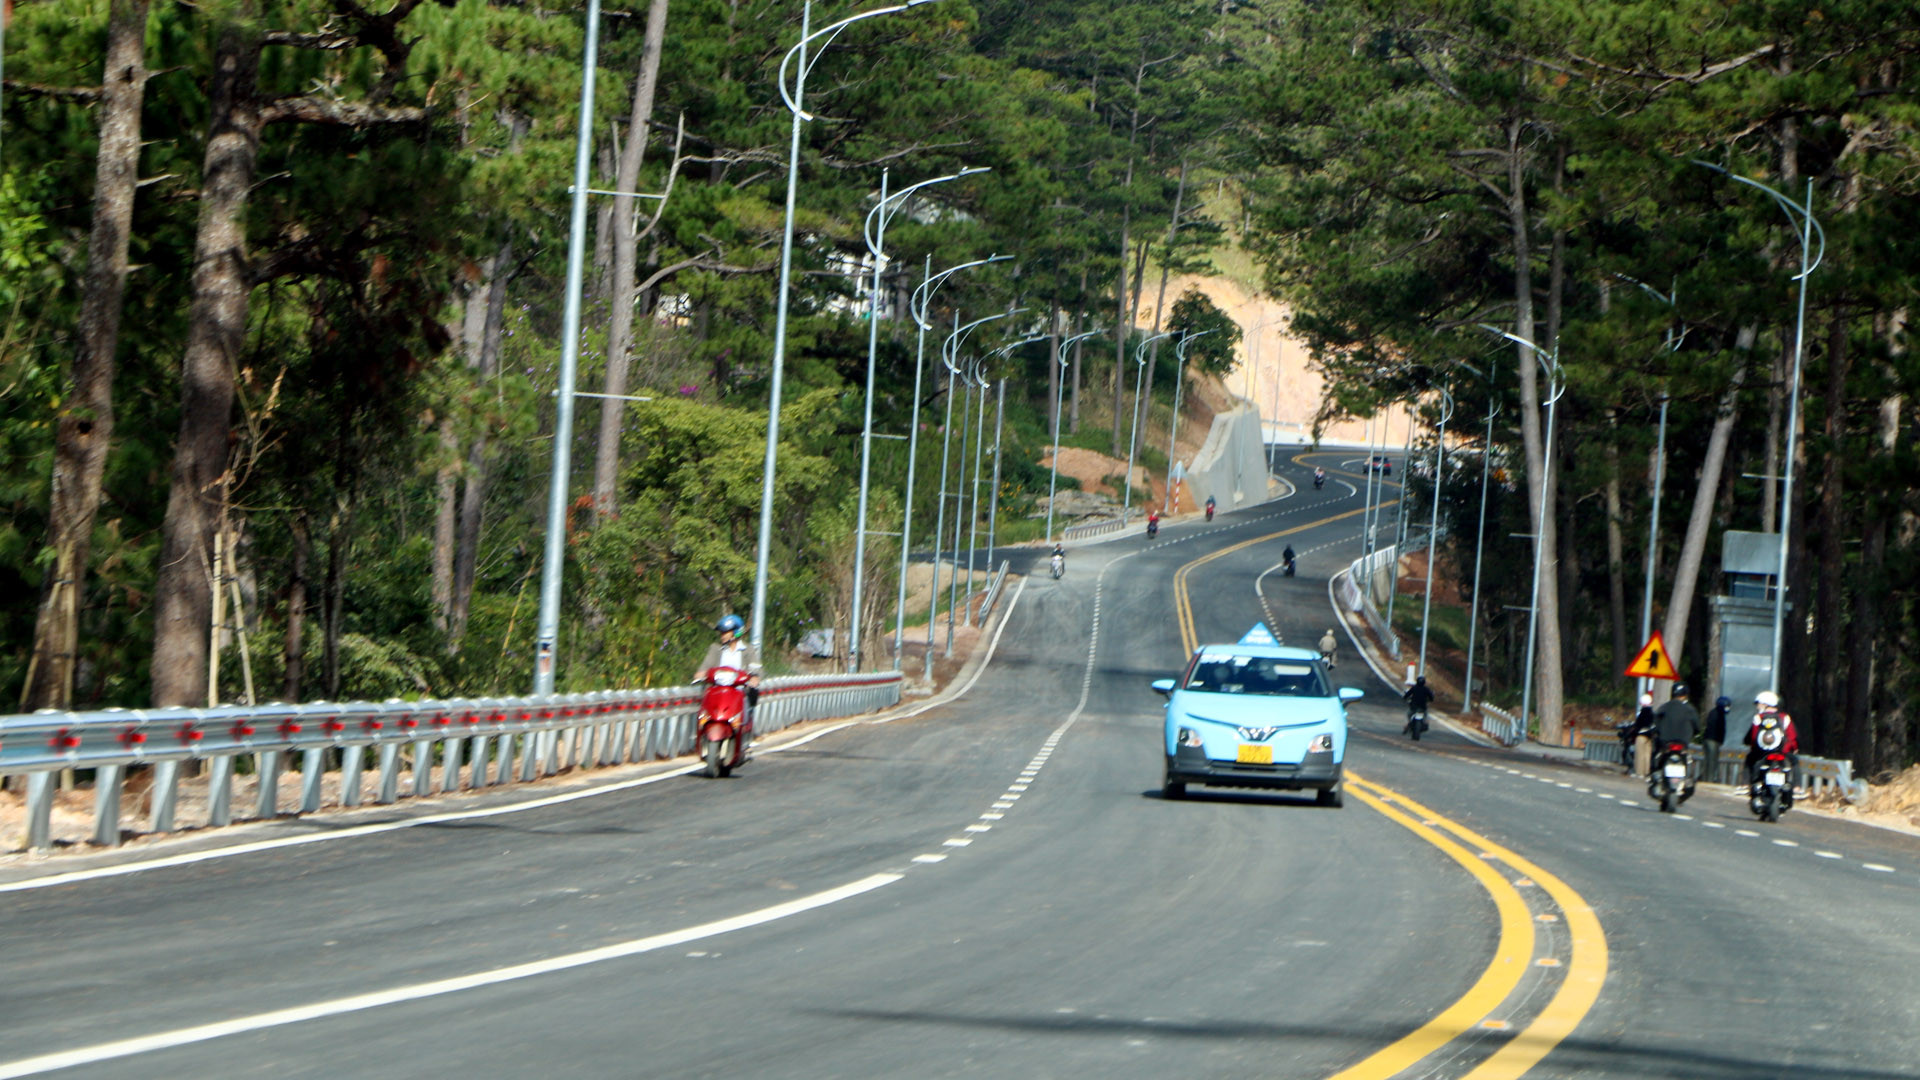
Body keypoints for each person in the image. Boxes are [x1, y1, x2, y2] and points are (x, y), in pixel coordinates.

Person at [696, 614, 762, 750]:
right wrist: (701, 673)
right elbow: (705, 666)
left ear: (736, 632)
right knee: (703, 710)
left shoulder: (748, 650)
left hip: (738, 691)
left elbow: (756, 668)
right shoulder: (715, 649)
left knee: (748, 701)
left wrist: (754, 678)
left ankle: (745, 733)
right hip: (718, 691)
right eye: (722, 632)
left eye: (726, 632)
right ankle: (702, 736)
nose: (722, 635)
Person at [1742, 690, 1800, 792]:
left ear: (1765, 704)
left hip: (1761, 752)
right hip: (1782, 752)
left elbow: (1754, 737)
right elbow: (1792, 736)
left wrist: (1754, 748)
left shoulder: (1758, 718)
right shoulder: (1784, 718)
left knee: (1749, 759)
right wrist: (1793, 748)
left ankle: (1745, 785)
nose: (1757, 707)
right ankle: (1797, 788)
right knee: (1794, 761)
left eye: (1759, 704)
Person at [1651, 683, 1701, 774]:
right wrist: (1695, 733)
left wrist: (1658, 732)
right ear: (1685, 695)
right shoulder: (1690, 709)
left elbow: (1656, 724)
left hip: (1665, 741)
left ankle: (1655, 773)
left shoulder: (1664, 707)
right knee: (1685, 759)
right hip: (1683, 742)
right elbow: (1697, 726)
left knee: (1658, 758)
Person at [1703, 694, 1731, 781]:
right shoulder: (1717, 714)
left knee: (1709, 761)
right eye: (1726, 706)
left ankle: (1707, 778)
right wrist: (1720, 739)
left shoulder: (1716, 713)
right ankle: (1709, 780)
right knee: (1712, 762)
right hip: (1712, 740)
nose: (1728, 708)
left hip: (1711, 740)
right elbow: (1718, 729)